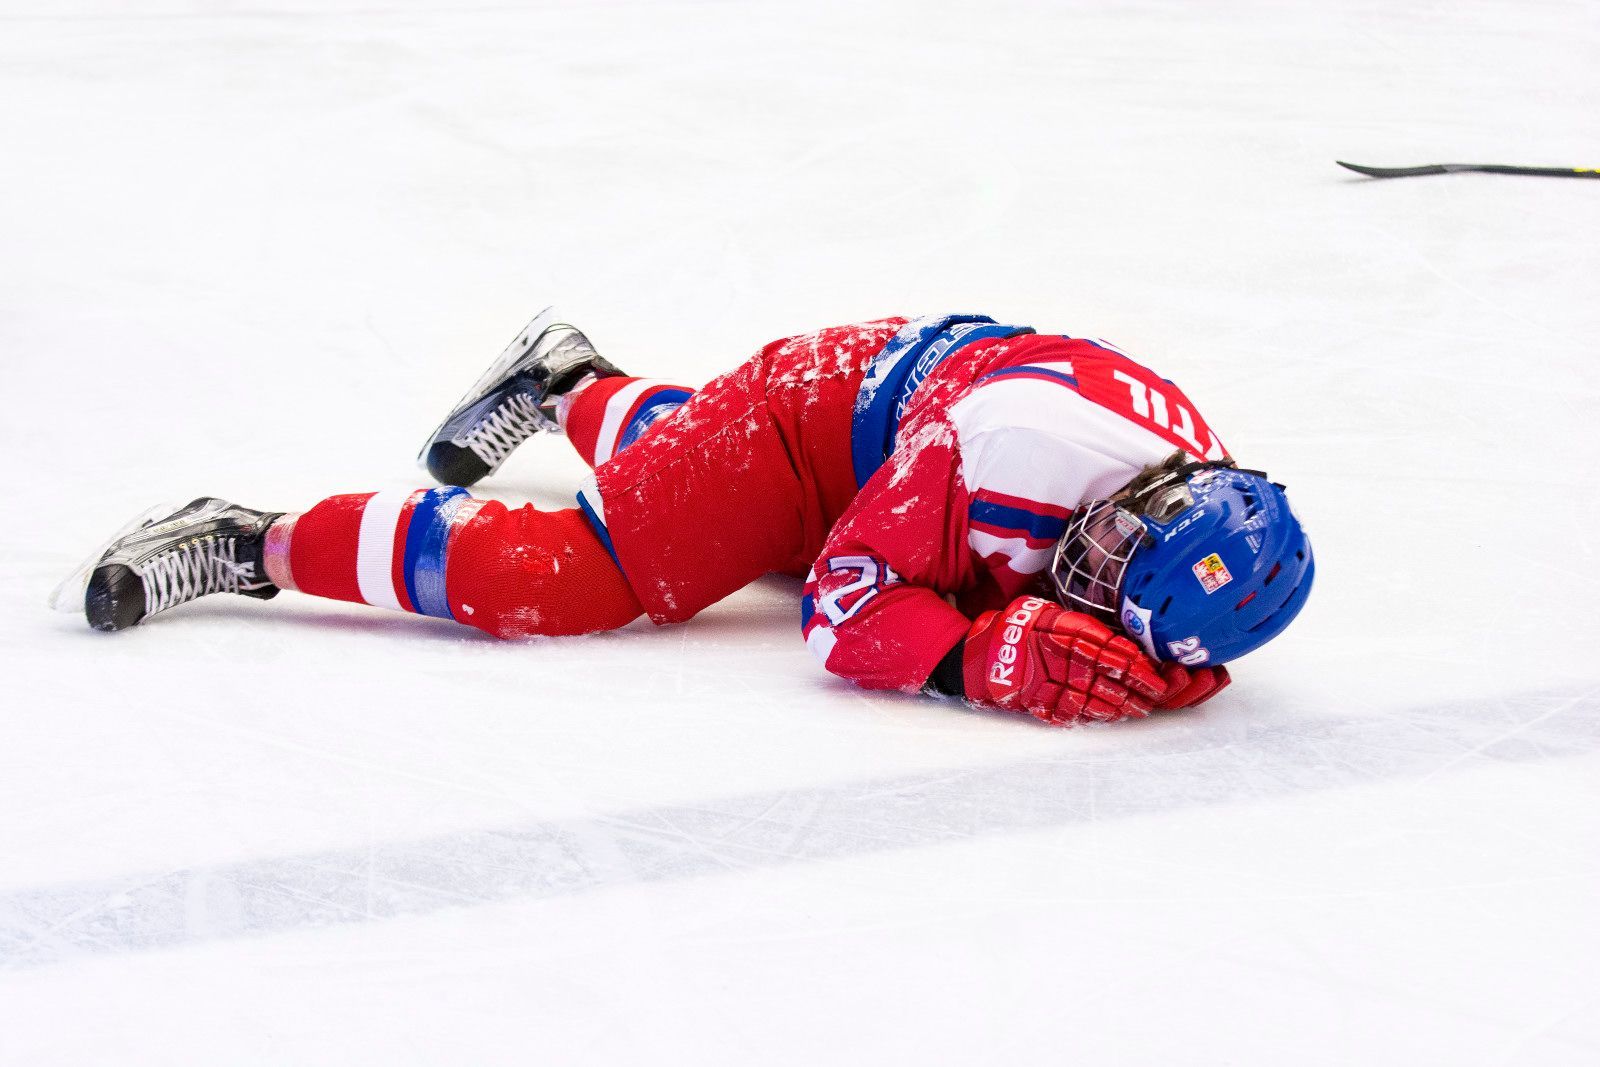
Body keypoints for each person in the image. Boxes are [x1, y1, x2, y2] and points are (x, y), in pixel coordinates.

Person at [60, 311, 1314, 726]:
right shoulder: (1016, 452)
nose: (1089, 561)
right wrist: (970, 657)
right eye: (1113, 540)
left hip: (887, 421)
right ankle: (247, 537)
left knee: (692, 469)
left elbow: (1172, 626)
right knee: (576, 573)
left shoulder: (1183, 491)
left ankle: (565, 380)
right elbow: (844, 603)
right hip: (817, 420)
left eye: (1113, 574)